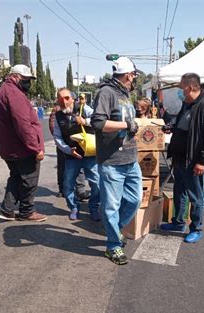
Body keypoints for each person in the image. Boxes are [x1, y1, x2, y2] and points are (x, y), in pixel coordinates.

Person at [91, 57, 142, 265]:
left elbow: (127, 123)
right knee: (111, 206)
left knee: (134, 200)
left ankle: (114, 228)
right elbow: (98, 122)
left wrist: (131, 126)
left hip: (130, 158)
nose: (135, 78)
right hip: (112, 161)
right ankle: (113, 246)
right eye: (134, 75)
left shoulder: (125, 94)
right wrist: (125, 125)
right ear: (129, 74)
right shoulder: (107, 92)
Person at [160, 73, 204, 243]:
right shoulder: (187, 105)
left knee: (196, 196)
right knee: (179, 192)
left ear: (190, 87)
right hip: (180, 158)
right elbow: (185, 126)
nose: (180, 90)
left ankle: (196, 228)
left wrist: (203, 161)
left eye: (181, 87)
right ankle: (178, 222)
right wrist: (171, 128)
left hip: (194, 160)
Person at [0, 64, 47, 222]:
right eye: (26, 79)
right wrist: (35, 147)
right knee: (29, 179)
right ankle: (27, 211)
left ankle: (7, 209)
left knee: (16, 177)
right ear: (16, 77)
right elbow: (23, 124)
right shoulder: (14, 93)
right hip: (21, 149)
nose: (28, 83)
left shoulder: (5, 90)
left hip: (11, 148)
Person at [53, 88, 100, 220]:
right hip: (71, 156)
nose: (64, 101)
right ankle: (74, 207)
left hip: (90, 154)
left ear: (73, 99)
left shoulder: (84, 108)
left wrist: (85, 122)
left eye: (67, 98)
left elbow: (99, 119)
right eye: (60, 98)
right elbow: (57, 136)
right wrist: (68, 150)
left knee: (96, 183)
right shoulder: (58, 115)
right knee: (67, 184)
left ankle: (93, 208)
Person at [49, 104, 89, 200]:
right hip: (63, 144)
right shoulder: (57, 110)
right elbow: (53, 126)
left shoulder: (79, 109)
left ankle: (80, 190)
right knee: (63, 167)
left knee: (79, 167)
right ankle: (62, 189)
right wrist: (62, 139)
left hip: (77, 143)